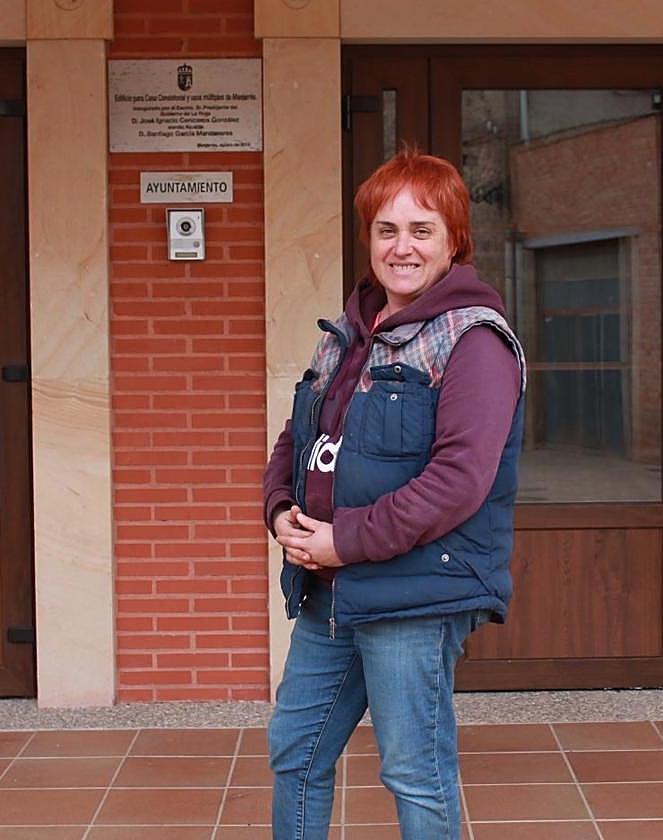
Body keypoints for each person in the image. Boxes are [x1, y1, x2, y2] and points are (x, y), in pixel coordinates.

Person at [261, 147, 526, 840]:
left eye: (421, 229)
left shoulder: (474, 342)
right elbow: (297, 436)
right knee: (296, 751)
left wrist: (343, 538)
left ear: (453, 241)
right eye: (386, 229)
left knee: (414, 771)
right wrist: (282, 511)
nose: (401, 246)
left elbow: (458, 482)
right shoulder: (348, 334)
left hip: (414, 592)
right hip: (332, 591)